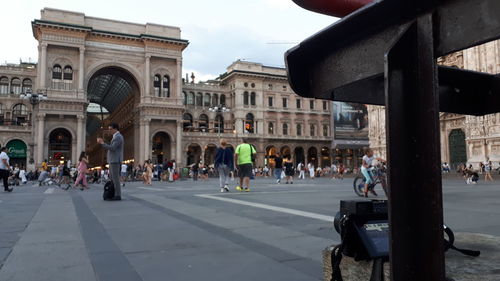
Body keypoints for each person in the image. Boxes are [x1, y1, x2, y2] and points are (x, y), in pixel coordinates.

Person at [97, 123, 124, 201]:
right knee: (113, 178)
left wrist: (102, 143)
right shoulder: (115, 137)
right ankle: (113, 193)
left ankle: (118, 195)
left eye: (110, 129)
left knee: (115, 179)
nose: (109, 130)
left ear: (115, 129)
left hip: (115, 160)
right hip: (113, 160)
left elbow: (112, 148)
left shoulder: (118, 137)